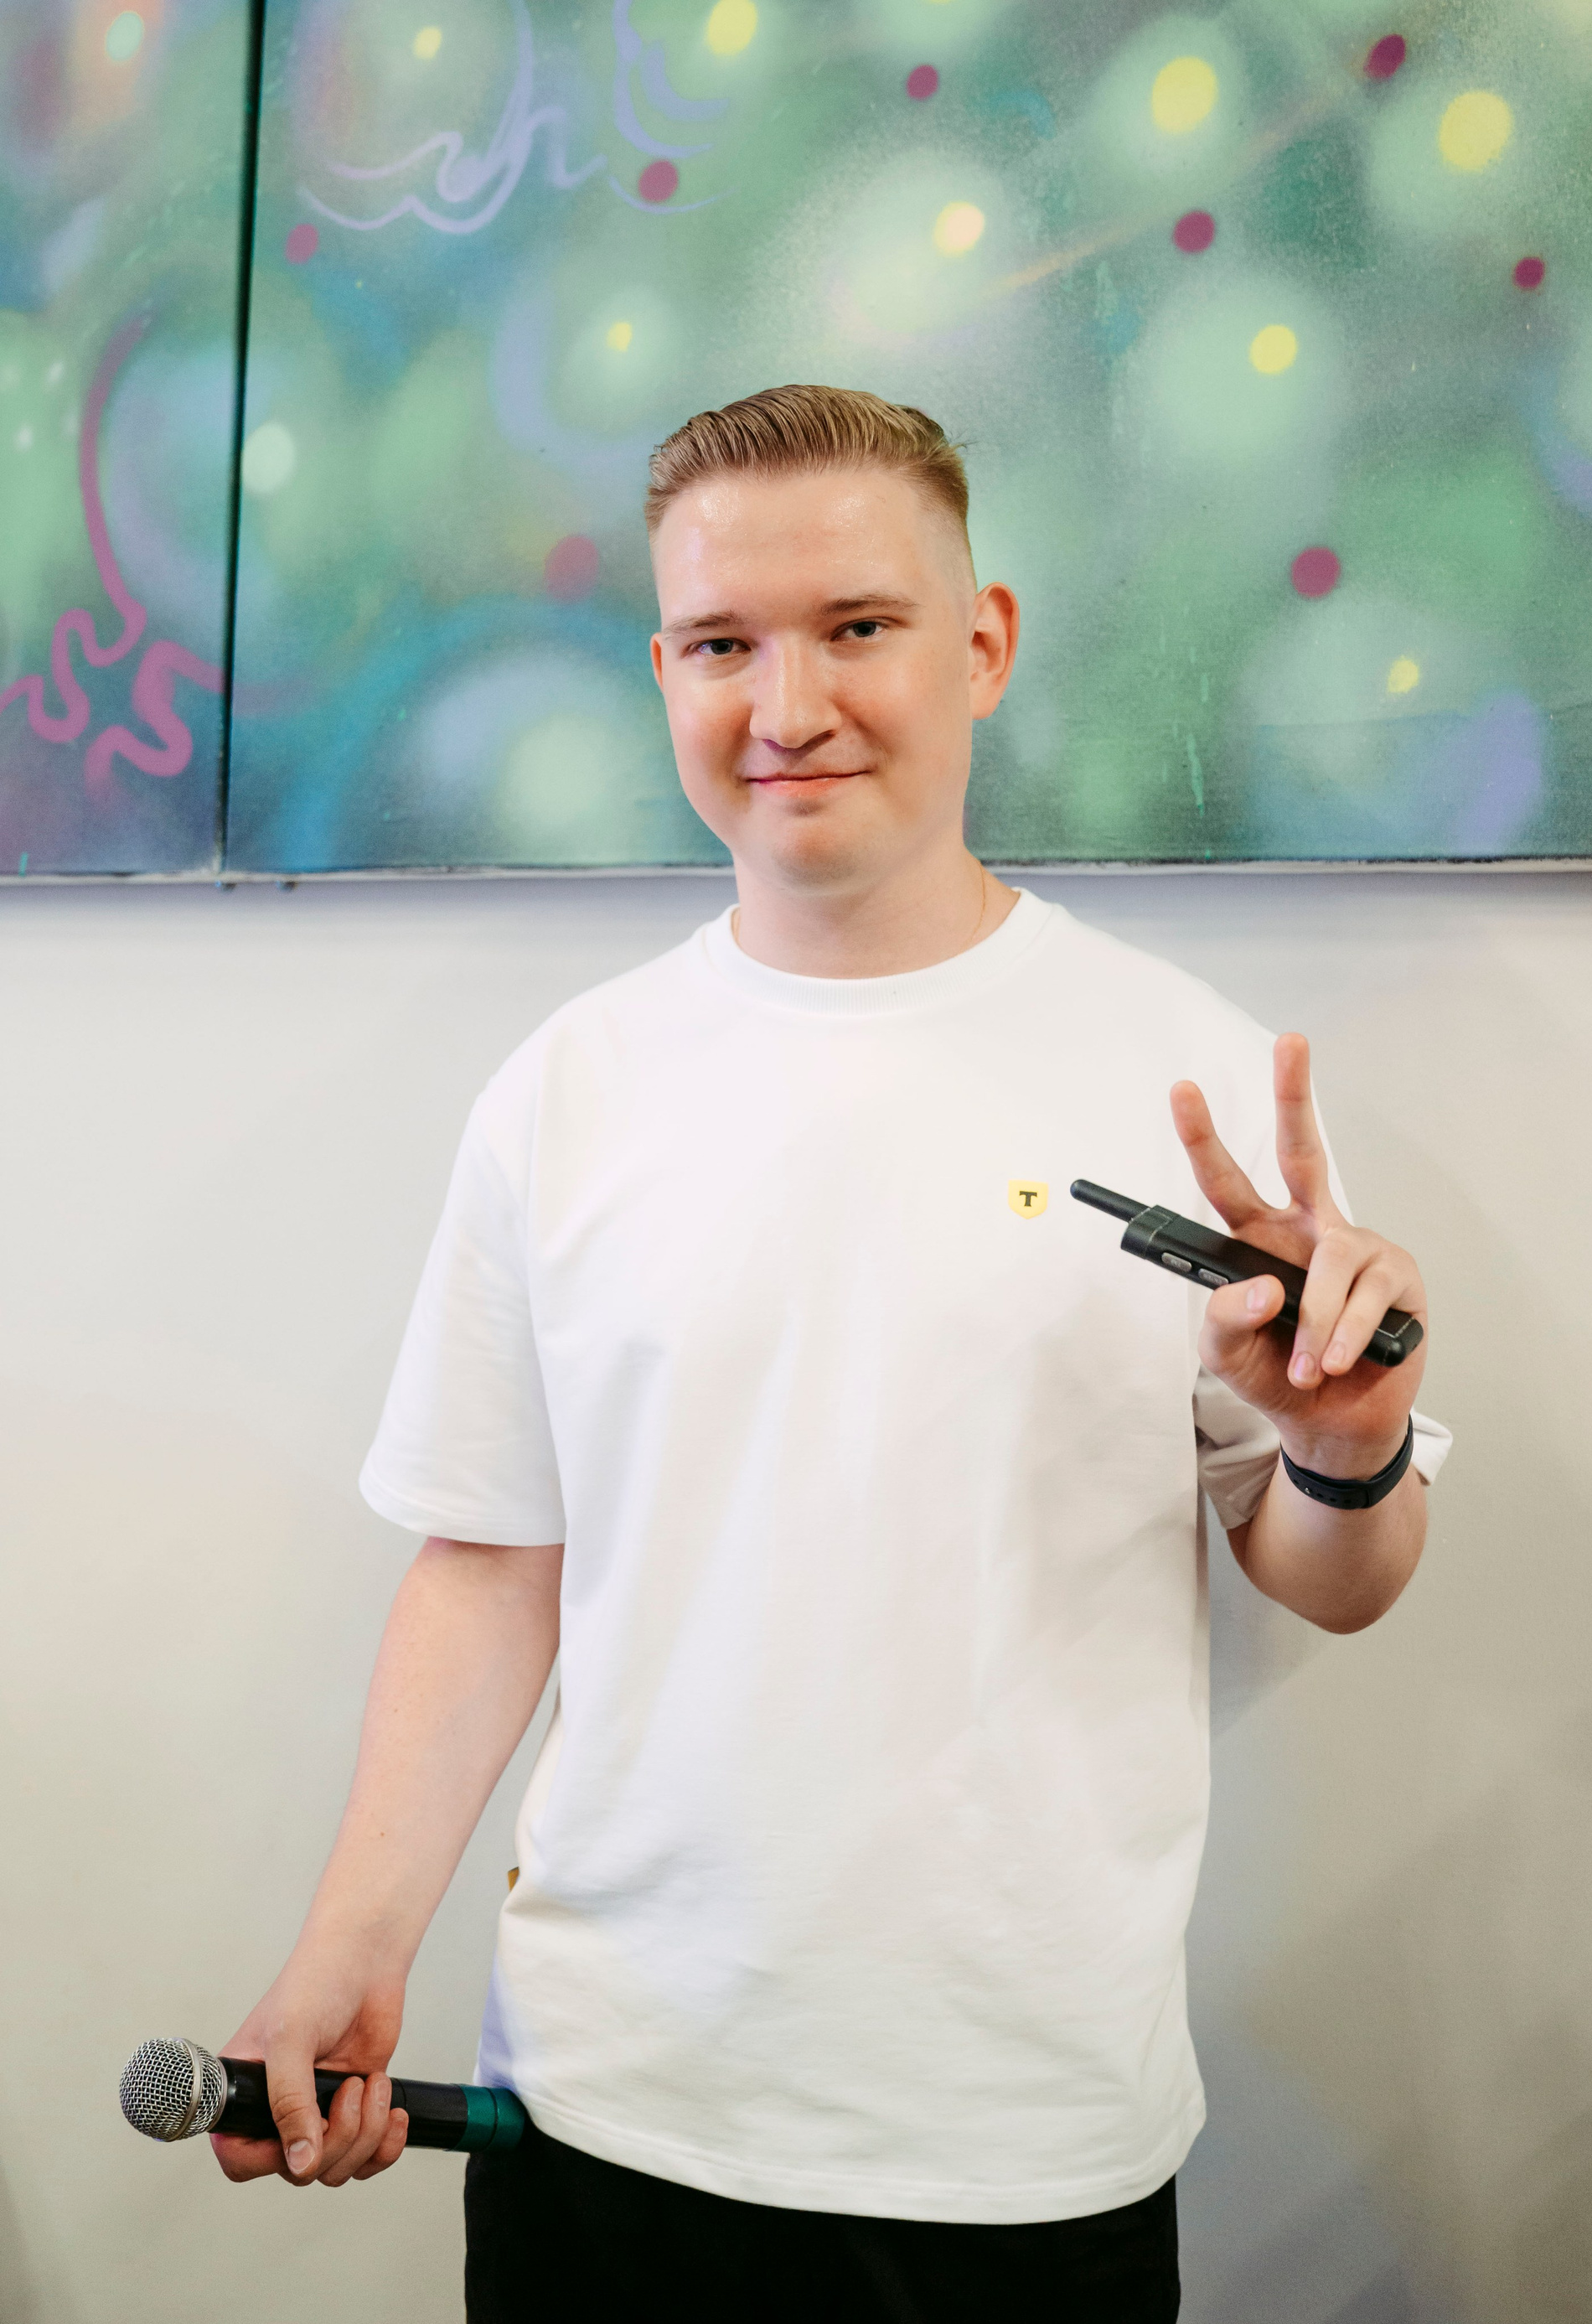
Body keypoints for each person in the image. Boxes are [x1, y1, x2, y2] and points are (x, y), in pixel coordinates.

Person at [212, 387, 1449, 2319]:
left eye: (858, 626)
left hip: (1025, 2138)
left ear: (985, 643)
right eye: (722, 644)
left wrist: (1343, 1446)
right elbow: (490, 1559)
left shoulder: (1190, 1075)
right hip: (601, 2113)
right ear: (663, 675)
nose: (787, 705)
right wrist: (351, 1941)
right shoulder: (568, 1091)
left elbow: (1339, 1575)